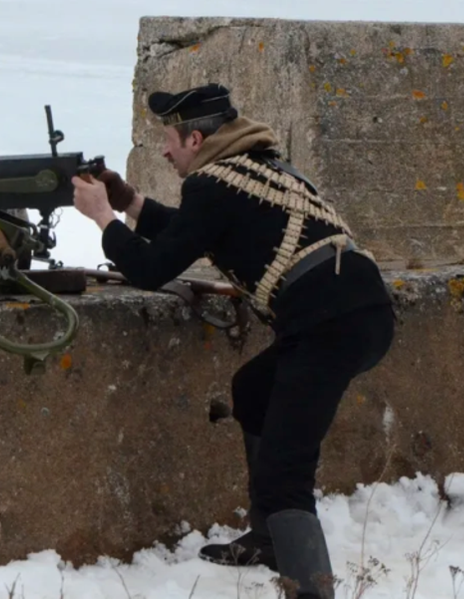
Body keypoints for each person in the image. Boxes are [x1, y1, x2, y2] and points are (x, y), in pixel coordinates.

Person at [71, 83, 395, 599]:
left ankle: (311, 591)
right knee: (255, 389)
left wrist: (102, 217)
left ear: (195, 139)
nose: (164, 150)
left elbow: (153, 268)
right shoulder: (258, 168)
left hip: (327, 326)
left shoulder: (213, 184)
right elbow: (194, 231)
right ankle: (269, 540)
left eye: (170, 140)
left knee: (286, 473)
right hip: (359, 314)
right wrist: (129, 201)